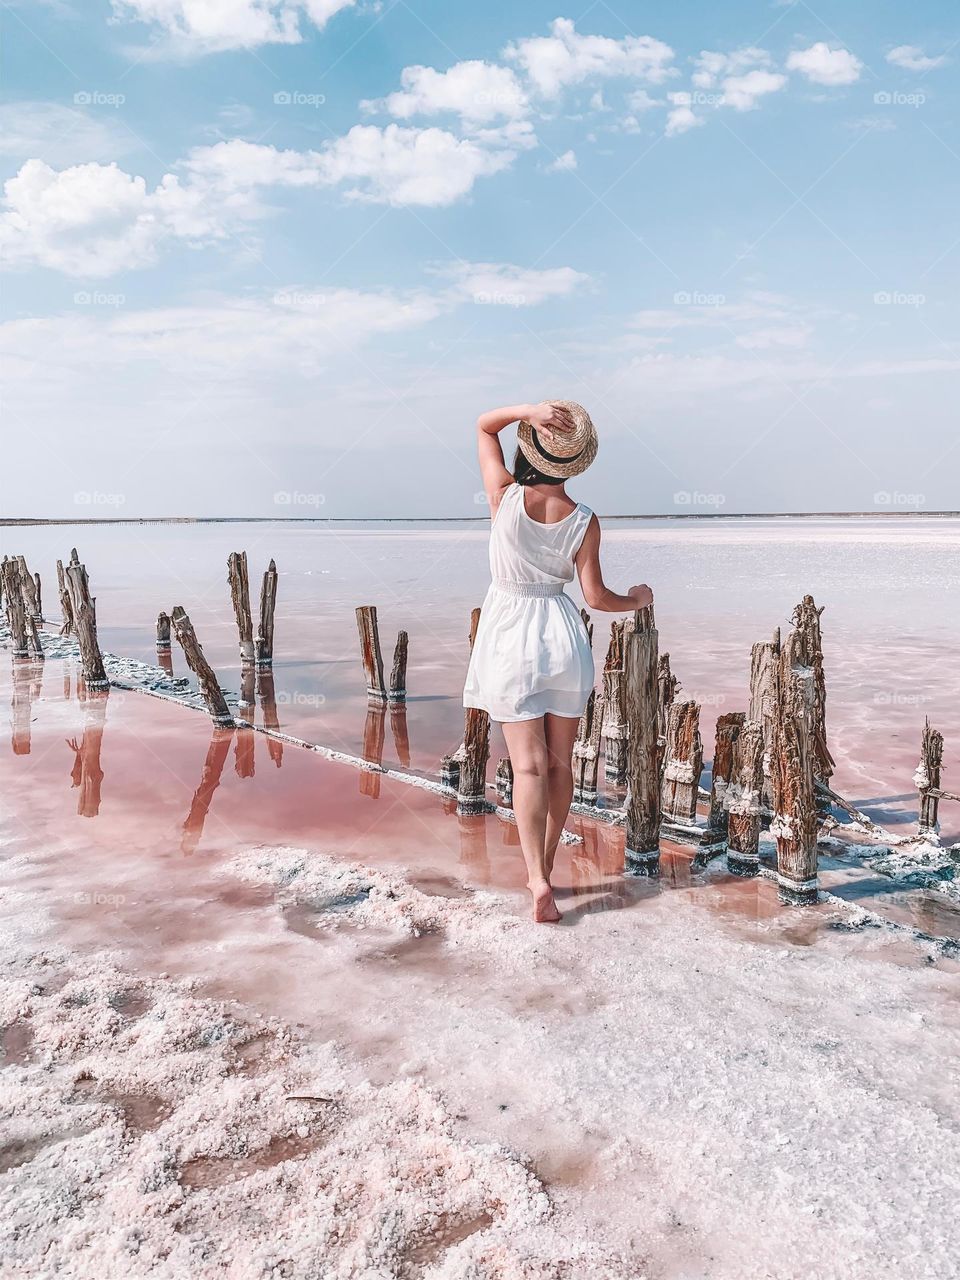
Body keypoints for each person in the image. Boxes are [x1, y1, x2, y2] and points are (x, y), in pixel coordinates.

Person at [463, 401, 654, 923]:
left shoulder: (502, 498)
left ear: (531, 447)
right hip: (562, 636)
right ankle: (545, 865)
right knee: (559, 765)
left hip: (509, 636)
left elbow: (483, 424)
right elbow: (596, 597)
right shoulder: (586, 521)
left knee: (526, 766)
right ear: (574, 463)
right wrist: (638, 599)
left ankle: (537, 879)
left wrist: (530, 409)